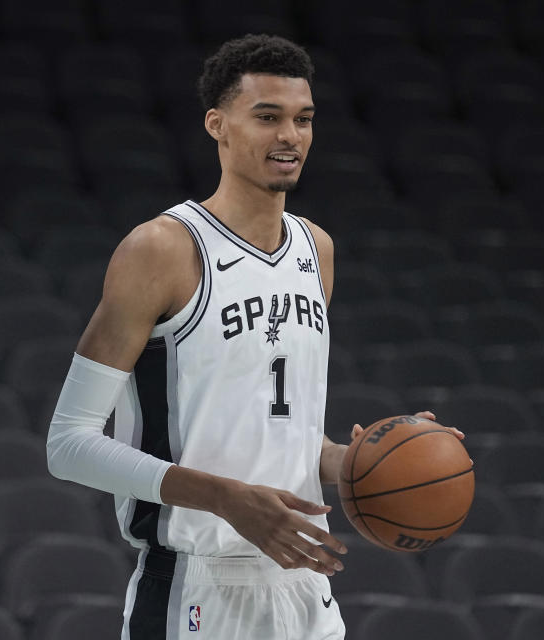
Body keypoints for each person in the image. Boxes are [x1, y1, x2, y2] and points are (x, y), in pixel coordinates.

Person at [46, 34, 464, 639]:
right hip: (196, 585)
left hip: (306, 589)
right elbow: (69, 444)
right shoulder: (162, 250)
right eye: (267, 117)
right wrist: (225, 498)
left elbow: (281, 434)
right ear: (217, 124)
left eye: (303, 119)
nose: (289, 136)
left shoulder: (315, 250)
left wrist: (363, 463)